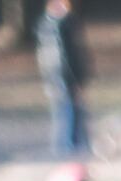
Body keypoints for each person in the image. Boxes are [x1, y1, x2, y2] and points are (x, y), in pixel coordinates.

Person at [34, 0, 90, 155]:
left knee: (61, 111)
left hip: (54, 75)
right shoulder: (62, 26)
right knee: (69, 110)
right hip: (63, 76)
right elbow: (67, 57)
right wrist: (76, 80)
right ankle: (70, 145)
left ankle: (64, 144)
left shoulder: (45, 25)